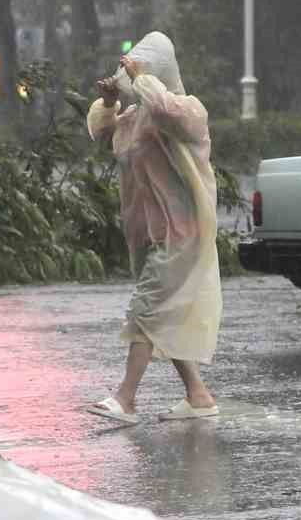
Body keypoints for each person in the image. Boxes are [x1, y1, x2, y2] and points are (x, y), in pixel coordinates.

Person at [86, 32, 222, 425]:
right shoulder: (136, 118)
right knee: (165, 313)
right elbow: (103, 134)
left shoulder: (187, 111)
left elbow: (167, 111)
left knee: (147, 308)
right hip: (148, 232)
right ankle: (198, 396)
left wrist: (142, 79)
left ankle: (125, 398)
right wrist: (111, 102)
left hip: (181, 234)